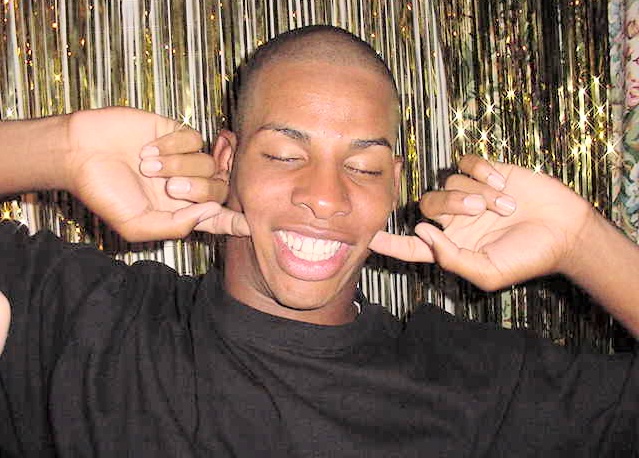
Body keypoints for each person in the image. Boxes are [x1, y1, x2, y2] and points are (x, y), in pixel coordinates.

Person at [0, 25, 638, 457]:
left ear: (395, 186)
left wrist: (580, 240)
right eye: (283, 154)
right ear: (227, 161)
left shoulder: (476, 381)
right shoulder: (86, 321)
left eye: (364, 167)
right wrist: (62, 146)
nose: (326, 197)